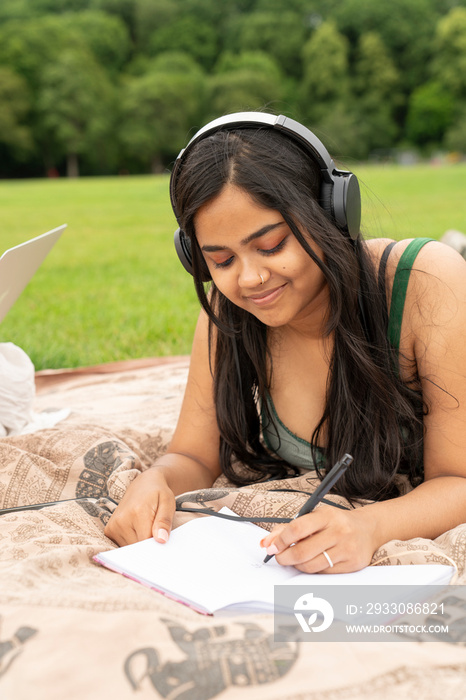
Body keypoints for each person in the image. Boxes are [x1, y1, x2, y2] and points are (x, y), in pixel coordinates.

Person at [105, 112, 466, 574]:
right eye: (221, 259)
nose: (251, 278)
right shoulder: (226, 314)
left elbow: (457, 479)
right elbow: (193, 454)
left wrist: (371, 527)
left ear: (332, 212)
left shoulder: (425, 283)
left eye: (271, 245)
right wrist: (156, 480)